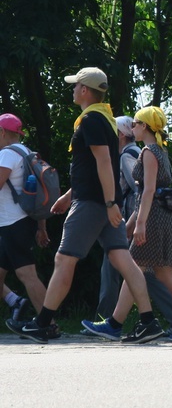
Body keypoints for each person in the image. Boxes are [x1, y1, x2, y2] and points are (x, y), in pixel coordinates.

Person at [5, 67, 162, 344]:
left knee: (64, 259)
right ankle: (149, 322)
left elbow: (103, 163)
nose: (73, 90)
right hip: (99, 200)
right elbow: (94, 166)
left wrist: (110, 201)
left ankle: (42, 324)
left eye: (76, 86)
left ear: (85, 90)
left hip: (93, 203)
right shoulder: (105, 119)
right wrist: (69, 195)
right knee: (123, 260)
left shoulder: (90, 120)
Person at [82, 106, 172, 341]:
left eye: (136, 124)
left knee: (140, 268)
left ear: (145, 127)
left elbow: (148, 191)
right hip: (160, 218)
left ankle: (116, 324)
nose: (132, 128)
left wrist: (139, 224)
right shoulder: (159, 150)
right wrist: (133, 223)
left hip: (153, 220)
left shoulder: (148, 152)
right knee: (157, 271)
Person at [0, 114, 51, 325]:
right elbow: (41, 195)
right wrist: (41, 227)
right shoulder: (29, 153)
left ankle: (49, 324)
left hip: (13, 224)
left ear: (2, 132)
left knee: (27, 274)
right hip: (24, 221)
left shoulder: (6, 155)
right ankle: (16, 302)